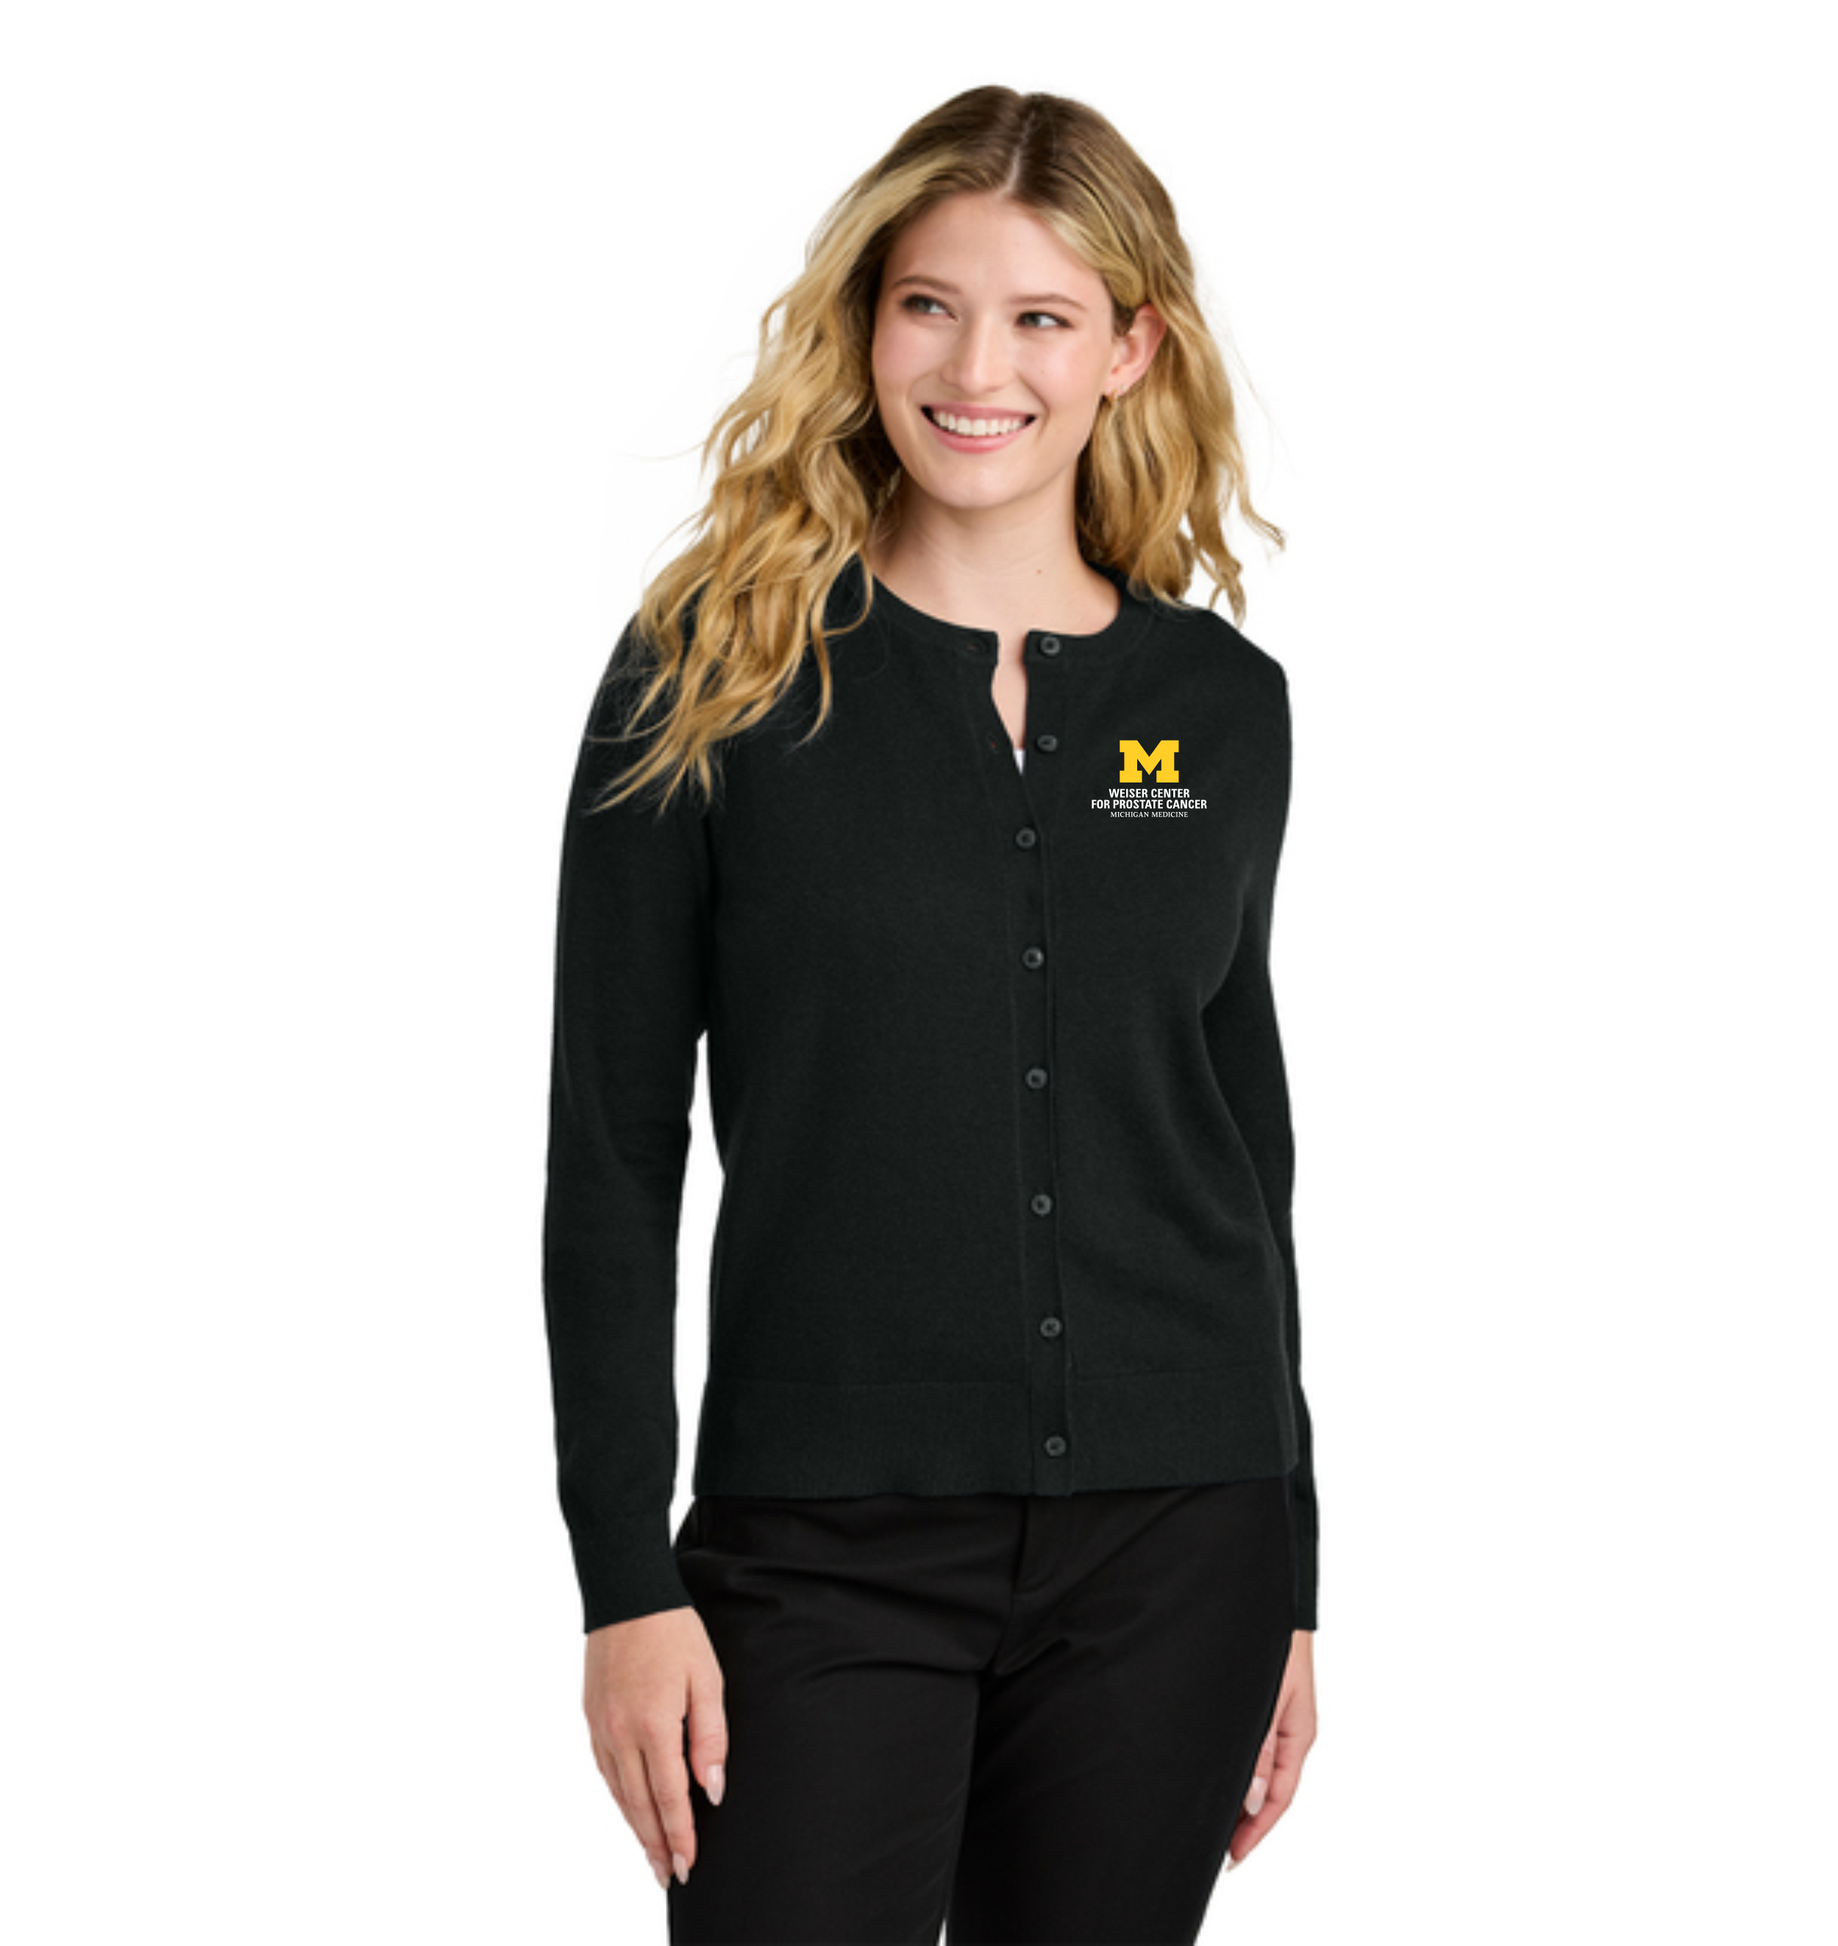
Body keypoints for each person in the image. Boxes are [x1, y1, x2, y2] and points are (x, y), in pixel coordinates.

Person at [542, 84, 1321, 1945]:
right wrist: (623, 1578)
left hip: (1177, 1541)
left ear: (1129, 349)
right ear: (864, 324)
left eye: (1042, 316)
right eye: (929, 306)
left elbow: (1244, 1141)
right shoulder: (713, 669)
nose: (979, 369)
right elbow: (613, 1144)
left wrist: (1291, 1575)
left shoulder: (1220, 705)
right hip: (816, 1548)